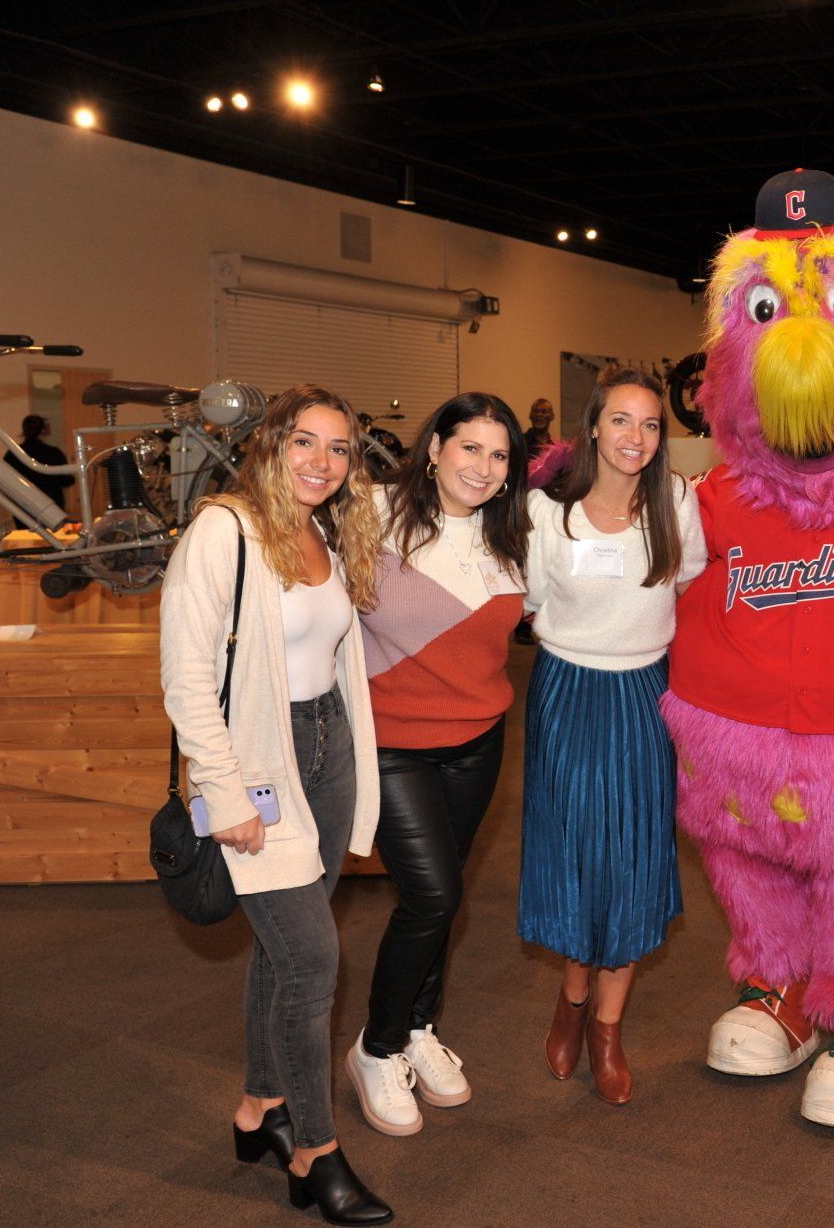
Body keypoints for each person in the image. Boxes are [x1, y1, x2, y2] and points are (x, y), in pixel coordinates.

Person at [158, 384, 392, 1226]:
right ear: (269, 445)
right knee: (314, 962)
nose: (321, 462)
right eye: (304, 442)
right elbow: (186, 677)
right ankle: (315, 1152)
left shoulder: (326, 529)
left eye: (338, 448)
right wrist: (223, 792)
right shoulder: (223, 531)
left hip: (326, 755)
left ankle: (259, 1108)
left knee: (283, 950)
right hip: (258, 759)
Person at [345, 393, 530, 1137]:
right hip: (392, 744)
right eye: (469, 448)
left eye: (499, 455)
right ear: (434, 449)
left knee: (443, 899)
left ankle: (419, 1029)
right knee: (432, 896)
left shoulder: (512, 533)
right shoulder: (372, 514)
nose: (483, 467)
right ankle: (377, 1047)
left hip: (479, 741)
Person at [519, 365, 705, 1105]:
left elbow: (687, 581)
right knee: (572, 853)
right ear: (593, 426)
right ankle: (571, 1000)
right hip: (566, 692)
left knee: (632, 857)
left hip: (643, 695)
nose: (636, 437)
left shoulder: (677, 502)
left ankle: (606, 1027)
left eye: (651, 424)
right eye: (621, 420)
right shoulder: (545, 510)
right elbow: (531, 599)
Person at [9, 414, 72, 520]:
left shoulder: (13, 453)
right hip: (52, 507)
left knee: (25, 531)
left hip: (24, 507)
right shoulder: (53, 453)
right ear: (43, 430)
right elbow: (67, 480)